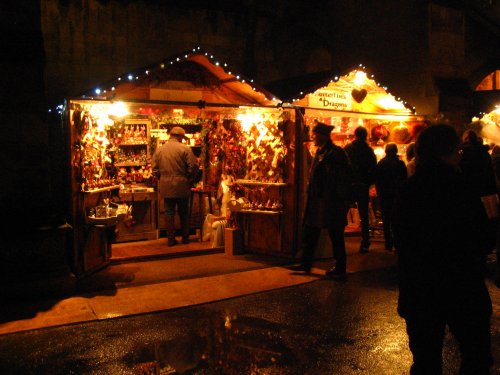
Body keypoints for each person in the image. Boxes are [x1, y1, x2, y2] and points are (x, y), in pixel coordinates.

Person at [392, 124, 493, 375]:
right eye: (456, 150)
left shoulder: (407, 190)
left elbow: (401, 237)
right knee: (475, 355)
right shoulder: (462, 188)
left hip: (419, 286)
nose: (460, 154)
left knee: (426, 360)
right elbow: (482, 236)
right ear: (445, 153)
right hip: (461, 285)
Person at [295, 121, 352, 278]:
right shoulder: (320, 152)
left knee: (336, 234)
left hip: (330, 201)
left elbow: (340, 178)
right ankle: (306, 264)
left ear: (322, 136)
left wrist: (338, 198)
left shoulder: (335, 153)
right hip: (317, 200)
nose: (313, 138)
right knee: (310, 231)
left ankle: (340, 268)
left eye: (315, 135)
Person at [153, 126, 199, 246]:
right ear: (179, 136)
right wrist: (189, 178)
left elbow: (154, 169)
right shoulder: (185, 149)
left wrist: (162, 178)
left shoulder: (160, 150)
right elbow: (193, 166)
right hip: (182, 185)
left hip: (166, 186)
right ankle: (185, 238)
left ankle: (170, 239)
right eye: (182, 137)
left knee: (169, 212)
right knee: (184, 212)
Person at [344, 126, 377, 253]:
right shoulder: (369, 151)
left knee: (343, 212)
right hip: (363, 186)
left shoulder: (348, 148)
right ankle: (365, 242)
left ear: (355, 135)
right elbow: (373, 168)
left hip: (350, 185)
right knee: (364, 214)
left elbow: (343, 166)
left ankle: (338, 241)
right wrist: (368, 183)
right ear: (365, 136)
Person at [374, 142, 407, 251]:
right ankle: (398, 242)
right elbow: (404, 180)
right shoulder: (400, 164)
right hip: (397, 195)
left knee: (386, 219)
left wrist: (379, 193)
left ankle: (388, 243)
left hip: (384, 195)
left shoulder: (381, 164)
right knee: (397, 219)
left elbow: (377, 180)